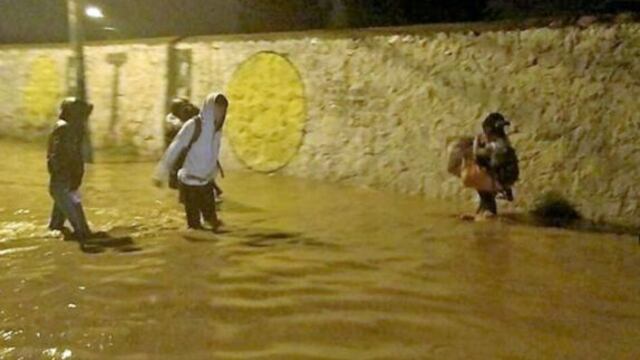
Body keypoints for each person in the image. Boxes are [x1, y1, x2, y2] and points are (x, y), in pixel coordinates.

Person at [154, 92, 228, 231]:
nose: (220, 114)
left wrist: (212, 175)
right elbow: (174, 148)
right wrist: (160, 173)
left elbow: (212, 154)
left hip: (206, 185)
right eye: (217, 109)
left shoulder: (217, 130)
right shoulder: (193, 125)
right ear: (210, 108)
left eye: (223, 110)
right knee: (195, 227)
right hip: (189, 185)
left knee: (213, 222)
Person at [47, 97, 94, 241]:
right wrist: (67, 175)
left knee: (56, 227)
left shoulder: (69, 128)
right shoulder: (64, 128)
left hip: (65, 181)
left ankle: (54, 234)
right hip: (63, 182)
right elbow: (56, 156)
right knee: (83, 231)